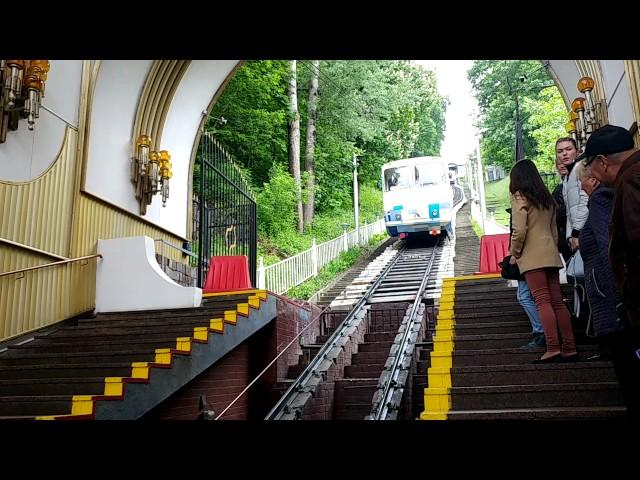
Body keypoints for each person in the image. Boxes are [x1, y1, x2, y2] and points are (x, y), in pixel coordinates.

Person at [579, 124, 640, 417]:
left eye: (591, 168)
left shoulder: (629, 182)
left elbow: (627, 247)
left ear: (603, 161)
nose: (591, 177)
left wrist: (625, 295)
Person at [509, 159, 576, 363]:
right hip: (550, 254)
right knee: (557, 302)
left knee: (542, 301)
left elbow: (519, 229)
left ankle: (553, 346)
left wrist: (515, 252)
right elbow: (554, 231)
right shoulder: (546, 198)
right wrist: (552, 249)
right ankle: (570, 347)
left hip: (532, 256)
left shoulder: (520, 196)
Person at [574, 160, 624, 360]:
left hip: (605, 285)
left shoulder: (599, 201)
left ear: (592, 180)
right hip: (603, 283)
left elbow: (606, 246)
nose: (581, 186)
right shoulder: (601, 199)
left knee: (622, 350)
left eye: (581, 181)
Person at [506, 207, 545, 347]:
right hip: (544, 255)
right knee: (543, 296)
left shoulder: (520, 206)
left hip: (527, 258)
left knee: (524, 296)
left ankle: (541, 331)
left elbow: (519, 231)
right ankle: (546, 332)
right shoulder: (542, 204)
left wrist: (514, 253)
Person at [557, 137, 589, 253]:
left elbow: (585, 202)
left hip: (586, 229)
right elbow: (568, 212)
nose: (564, 154)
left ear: (577, 150)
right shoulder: (566, 178)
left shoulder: (582, 169)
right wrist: (570, 236)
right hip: (577, 233)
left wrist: (576, 232)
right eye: (560, 151)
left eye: (568, 149)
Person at [551, 156, 572, 261]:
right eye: (559, 164)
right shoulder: (558, 188)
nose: (562, 166)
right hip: (563, 235)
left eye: (564, 163)